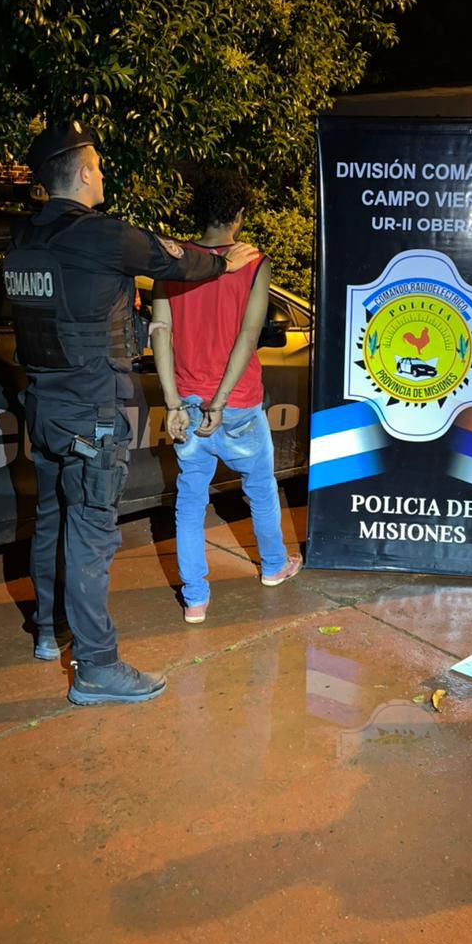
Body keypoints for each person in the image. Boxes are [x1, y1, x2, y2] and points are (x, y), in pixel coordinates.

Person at [3, 122, 258, 705]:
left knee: (51, 519)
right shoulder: (101, 236)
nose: (103, 173)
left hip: (44, 407)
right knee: (91, 534)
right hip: (93, 413)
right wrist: (224, 264)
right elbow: (175, 260)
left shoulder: (23, 237)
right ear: (83, 173)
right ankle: (95, 667)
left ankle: (48, 631)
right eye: (98, 165)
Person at [149, 166, 301, 622]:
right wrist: (219, 402)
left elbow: (160, 331)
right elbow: (249, 336)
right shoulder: (253, 264)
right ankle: (273, 566)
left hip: (186, 404)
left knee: (190, 502)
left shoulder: (172, 261)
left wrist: (173, 403)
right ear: (238, 213)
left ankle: (195, 599)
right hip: (236, 404)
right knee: (261, 488)